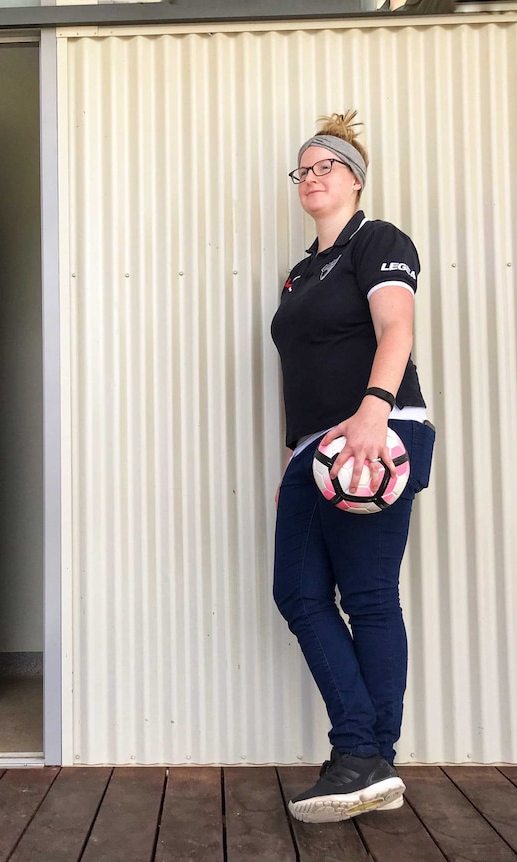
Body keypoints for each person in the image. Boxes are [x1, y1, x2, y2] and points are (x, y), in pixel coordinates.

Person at [270, 110, 436, 823]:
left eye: (325, 166)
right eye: (302, 169)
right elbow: (303, 363)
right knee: (299, 593)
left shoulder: (378, 240)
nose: (312, 178)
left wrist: (374, 408)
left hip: (376, 434)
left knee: (366, 597)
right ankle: (369, 758)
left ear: (355, 179)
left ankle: (365, 755)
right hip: (317, 451)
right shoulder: (301, 271)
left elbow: (395, 326)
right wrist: (292, 448)